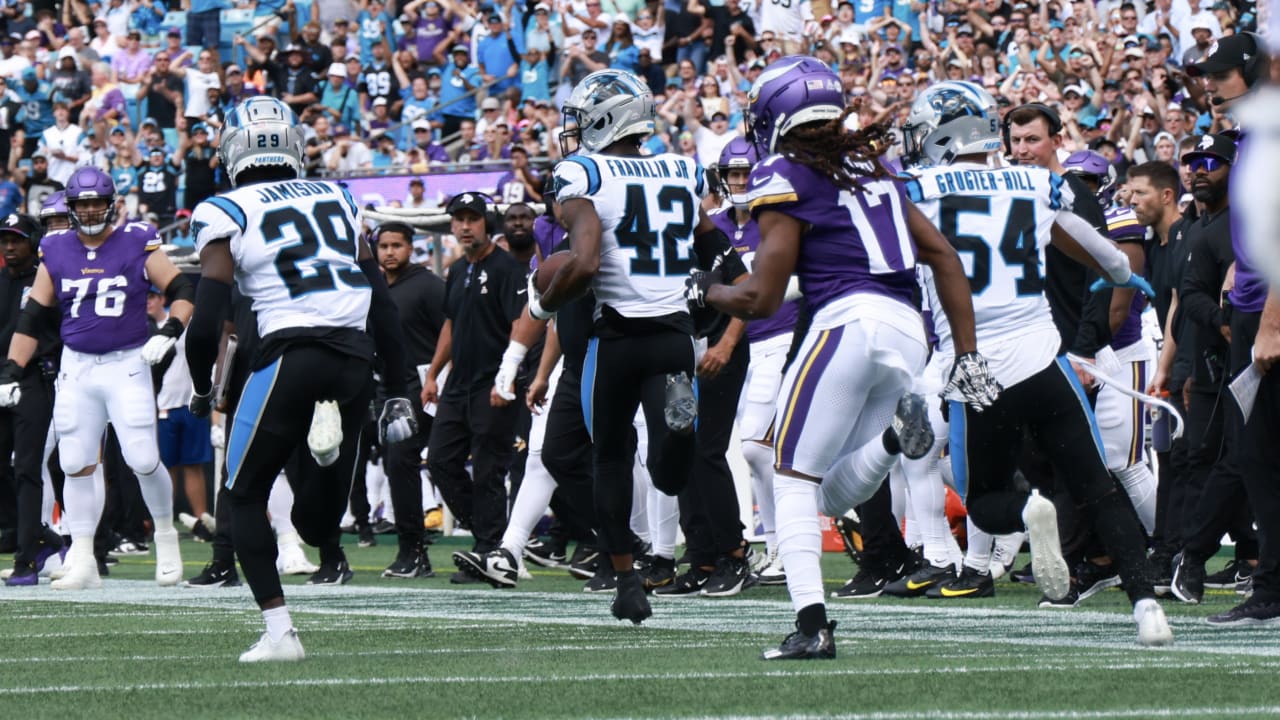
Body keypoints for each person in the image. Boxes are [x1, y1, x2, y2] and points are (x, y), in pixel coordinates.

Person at [691, 59, 995, 659]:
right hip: (907, 329)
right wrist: (967, 355)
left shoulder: (783, 171)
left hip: (846, 323)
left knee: (789, 474)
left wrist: (707, 289)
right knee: (825, 491)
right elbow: (946, 259)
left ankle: (812, 626)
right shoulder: (876, 168)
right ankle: (890, 442)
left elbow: (762, 296)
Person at [898, 81, 1172, 645]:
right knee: (1097, 484)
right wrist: (1124, 275)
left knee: (986, 501)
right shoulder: (1035, 182)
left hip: (975, 370)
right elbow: (1098, 249)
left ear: (945, 134)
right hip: (1045, 360)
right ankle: (1148, 607)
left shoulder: (914, 189)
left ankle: (1028, 511)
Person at [183, 96, 417, 662]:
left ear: (234, 147)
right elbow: (380, 299)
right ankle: (328, 460)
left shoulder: (225, 208)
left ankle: (279, 632)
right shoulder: (338, 196)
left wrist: (199, 387)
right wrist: (401, 384)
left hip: (291, 354)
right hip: (355, 357)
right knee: (315, 526)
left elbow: (207, 318)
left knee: (241, 495)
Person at [527, 69, 747, 623]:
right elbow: (709, 238)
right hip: (674, 332)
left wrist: (543, 306)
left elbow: (583, 262)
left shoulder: (582, 171)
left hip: (616, 332)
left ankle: (627, 577)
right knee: (671, 468)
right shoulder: (679, 168)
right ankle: (675, 438)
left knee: (610, 457)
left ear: (605, 119)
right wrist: (724, 278)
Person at [0, 166, 194, 591]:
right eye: (81, 204)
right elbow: (32, 316)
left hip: (126, 363)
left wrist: (169, 331)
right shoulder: (54, 247)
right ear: (70, 208)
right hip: (78, 366)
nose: (89, 211)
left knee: (143, 457)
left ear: (111, 205)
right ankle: (83, 556)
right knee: (74, 462)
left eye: (95, 203)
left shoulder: (137, 240)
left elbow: (182, 290)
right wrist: (12, 370)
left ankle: (165, 537)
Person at [420, 192, 533, 583]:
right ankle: (493, 539)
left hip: (492, 382)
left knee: (489, 468)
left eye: (473, 218)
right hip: (457, 383)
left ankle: (488, 552)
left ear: (488, 223)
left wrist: (507, 377)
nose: (465, 226)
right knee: (439, 460)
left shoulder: (506, 269)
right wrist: (434, 373)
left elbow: (521, 322)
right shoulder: (456, 270)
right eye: (459, 219)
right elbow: (450, 325)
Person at [374, 221, 445, 579]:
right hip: (387, 389)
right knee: (395, 466)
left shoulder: (429, 287)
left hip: (423, 387)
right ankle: (411, 550)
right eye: (383, 245)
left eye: (396, 245)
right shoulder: (373, 288)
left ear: (411, 247)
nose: (389, 252)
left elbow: (450, 334)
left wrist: (434, 378)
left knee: (407, 462)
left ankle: (415, 550)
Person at [0, 212, 63, 586]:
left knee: (26, 467)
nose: (9, 247)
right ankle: (39, 536)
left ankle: (27, 559)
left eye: (17, 239)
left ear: (33, 242)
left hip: (33, 381)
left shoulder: (46, 283)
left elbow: (50, 334)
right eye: (5, 240)